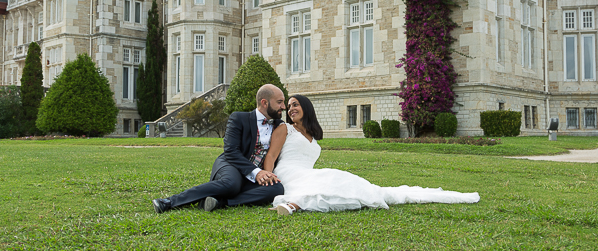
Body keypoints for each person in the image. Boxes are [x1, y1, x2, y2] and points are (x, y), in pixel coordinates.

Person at [262, 94, 480, 215]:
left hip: (307, 173)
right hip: (289, 173)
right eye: (288, 106)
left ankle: (295, 204)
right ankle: (294, 203)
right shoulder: (284, 128)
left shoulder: (314, 135)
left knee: (339, 181)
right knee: (334, 177)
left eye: (295, 105)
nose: (290, 109)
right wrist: (266, 178)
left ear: (306, 108)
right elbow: (271, 156)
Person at [152, 84, 286, 213]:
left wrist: (264, 173)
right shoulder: (239, 118)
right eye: (279, 102)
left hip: (255, 175)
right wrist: (257, 172)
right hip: (231, 164)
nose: (283, 107)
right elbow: (231, 151)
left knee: (276, 188)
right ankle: (169, 202)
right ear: (264, 103)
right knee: (231, 185)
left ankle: (220, 202)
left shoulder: (279, 126)